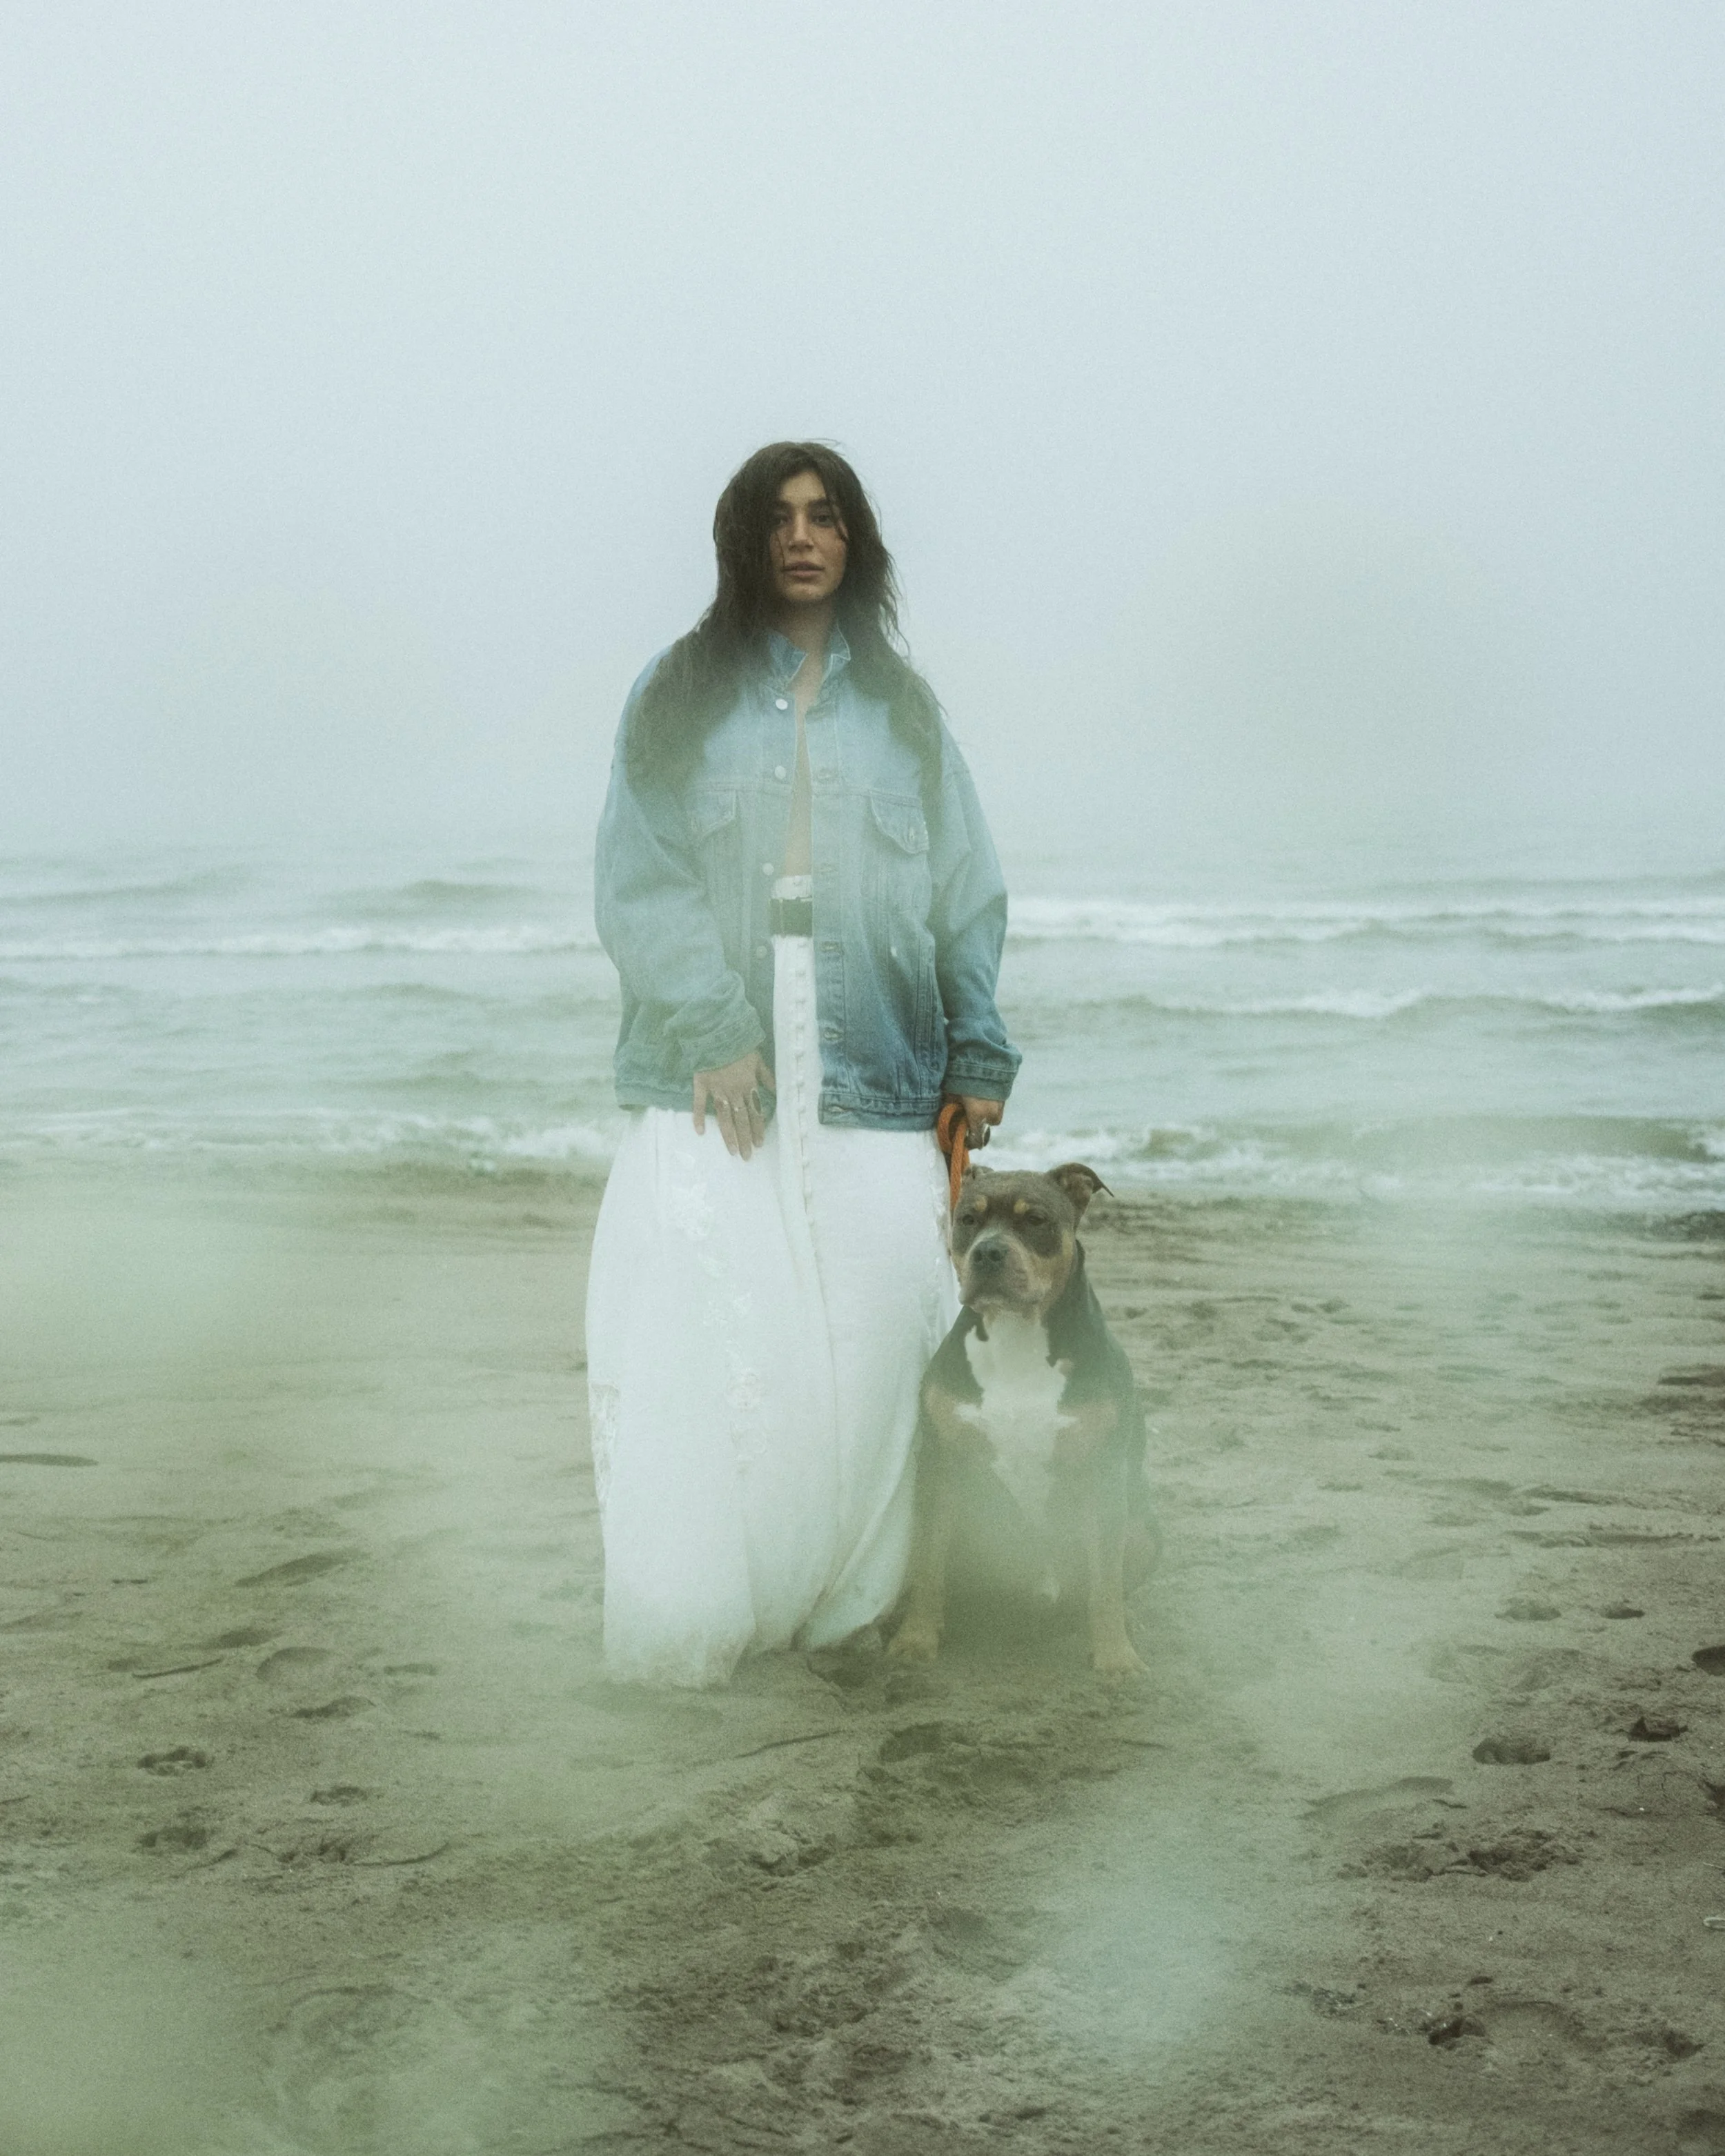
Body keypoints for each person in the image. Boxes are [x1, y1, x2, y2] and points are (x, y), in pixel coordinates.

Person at [585, 441, 1020, 1686]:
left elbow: (964, 889)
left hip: (880, 1046)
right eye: (777, 518)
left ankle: (863, 1599)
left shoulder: (906, 709)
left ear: (855, 538)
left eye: (825, 515)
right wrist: (712, 1029)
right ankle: (726, 1601)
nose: (802, 536)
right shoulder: (675, 691)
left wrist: (976, 1045)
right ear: (743, 540)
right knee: (728, 1323)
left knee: (885, 1319)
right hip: (714, 1041)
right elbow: (636, 873)